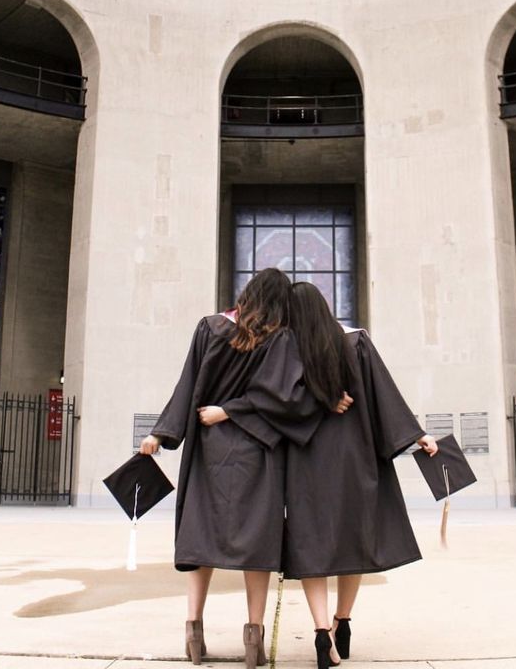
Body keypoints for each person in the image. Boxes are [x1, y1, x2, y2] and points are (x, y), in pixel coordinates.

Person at [139, 268, 340, 669]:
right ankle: (254, 640)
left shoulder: (211, 327)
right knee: (257, 546)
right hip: (259, 451)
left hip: (209, 450)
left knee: (201, 540)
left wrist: (161, 434)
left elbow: (187, 385)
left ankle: (194, 632)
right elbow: (284, 398)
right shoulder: (281, 339)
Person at [284, 281, 438, 669]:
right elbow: (384, 394)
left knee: (311, 547)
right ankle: (343, 622)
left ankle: (321, 633)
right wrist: (417, 435)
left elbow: (272, 401)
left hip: (305, 463)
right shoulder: (356, 342)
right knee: (352, 541)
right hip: (354, 459)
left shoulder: (286, 350)